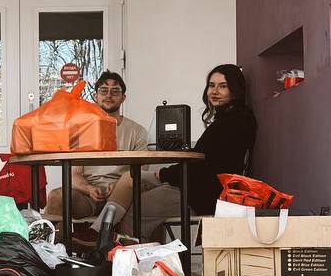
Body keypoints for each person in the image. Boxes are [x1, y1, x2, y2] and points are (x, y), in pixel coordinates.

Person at [99, 64, 257, 234]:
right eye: (211, 85)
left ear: (235, 90)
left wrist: (164, 174)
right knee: (129, 178)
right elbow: (205, 161)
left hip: (200, 195)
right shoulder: (229, 120)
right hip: (193, 186)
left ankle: (105, 238)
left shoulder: (233, 123)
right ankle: (100, 233)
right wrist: (167, 174)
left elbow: (204, 169)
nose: (215, 91)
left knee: (135, 209)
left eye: (223, 86)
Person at [43, 71, 148, 223]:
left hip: (123, 195)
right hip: (88, 196)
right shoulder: (81, 130)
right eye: (103, 90)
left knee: (150, 201)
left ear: (123, 97)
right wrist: (89, 189)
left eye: (115, 91)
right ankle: (56, 239)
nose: (109, 95)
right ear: (95, 96)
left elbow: (142, 172)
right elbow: (74, 175)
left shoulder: (137, 131)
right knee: (56, 197)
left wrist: (119, 186)